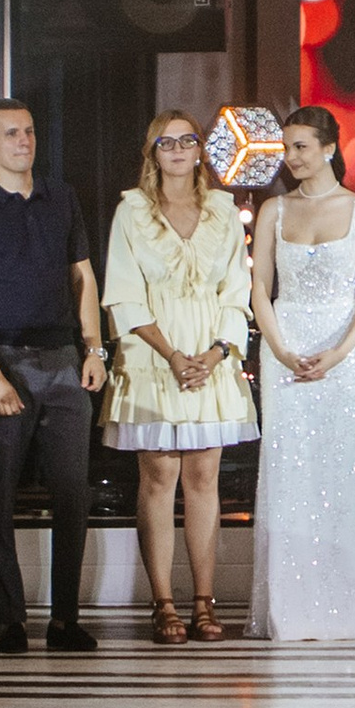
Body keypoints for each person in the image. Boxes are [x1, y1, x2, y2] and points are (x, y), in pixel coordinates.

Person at [0, 98, 105, 658]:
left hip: (61, 357)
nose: (23, 141)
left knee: (71, 495)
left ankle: (64, 620)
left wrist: (95, 349)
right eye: (11, 133)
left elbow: (81, 276)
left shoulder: (61, 197)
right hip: (4, 359)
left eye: (30, 131)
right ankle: (10, 619)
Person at [99, 108, 254, 642]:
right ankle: (163, 602)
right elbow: (122, 291)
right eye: (166, 143)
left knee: (204, 478)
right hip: (153, 357)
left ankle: (204, 603)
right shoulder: (133, 212)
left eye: (187, 140)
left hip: (209, 360)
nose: (178, 150)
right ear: (152, 152)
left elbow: (238, 291)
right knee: (160, 476)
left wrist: (213, 354)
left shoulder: (223, 211)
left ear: (200, 149)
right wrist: (170, 354)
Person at [249, 104, 355, 640]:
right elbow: (260, 289)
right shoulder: (274, 211)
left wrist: (340, 354)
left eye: (301, 147)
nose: (290, 158)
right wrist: (281, 348)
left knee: (342, 470)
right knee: (290, 473)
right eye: (286, 148)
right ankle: (292, 610)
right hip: (285, 343)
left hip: (343, 348)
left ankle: (351, 608)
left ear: (330, 148)